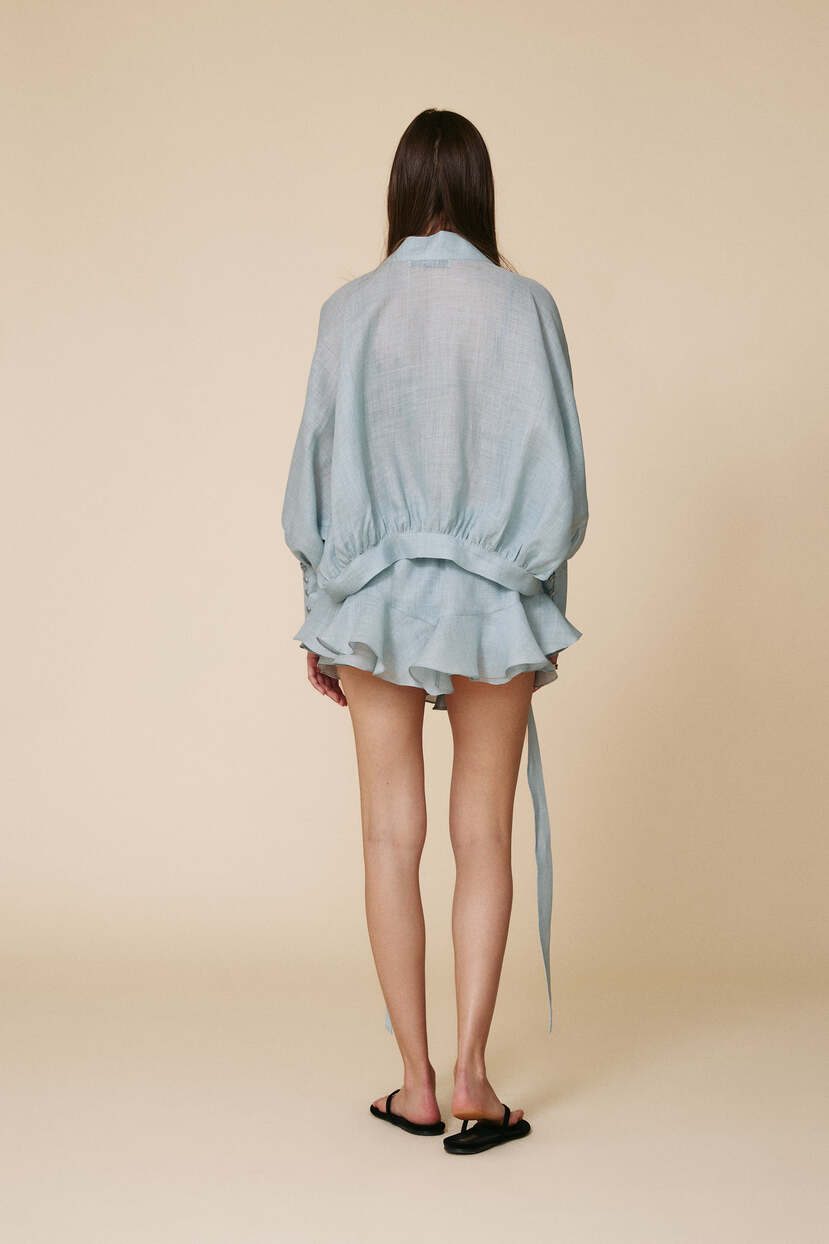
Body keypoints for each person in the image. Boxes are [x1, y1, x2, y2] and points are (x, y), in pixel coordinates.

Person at [281, 108, 588, 1155]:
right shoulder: (526, 304)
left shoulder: (348, 308)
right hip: (495, 594)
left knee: (388, 836)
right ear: (481, 190)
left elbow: (315, 469)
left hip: (370, 594)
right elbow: (558, 472)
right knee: (482, 836)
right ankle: (472, 1079)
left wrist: (321, 606)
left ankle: (413, 1083)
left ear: (402, 190)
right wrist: (535, 592)